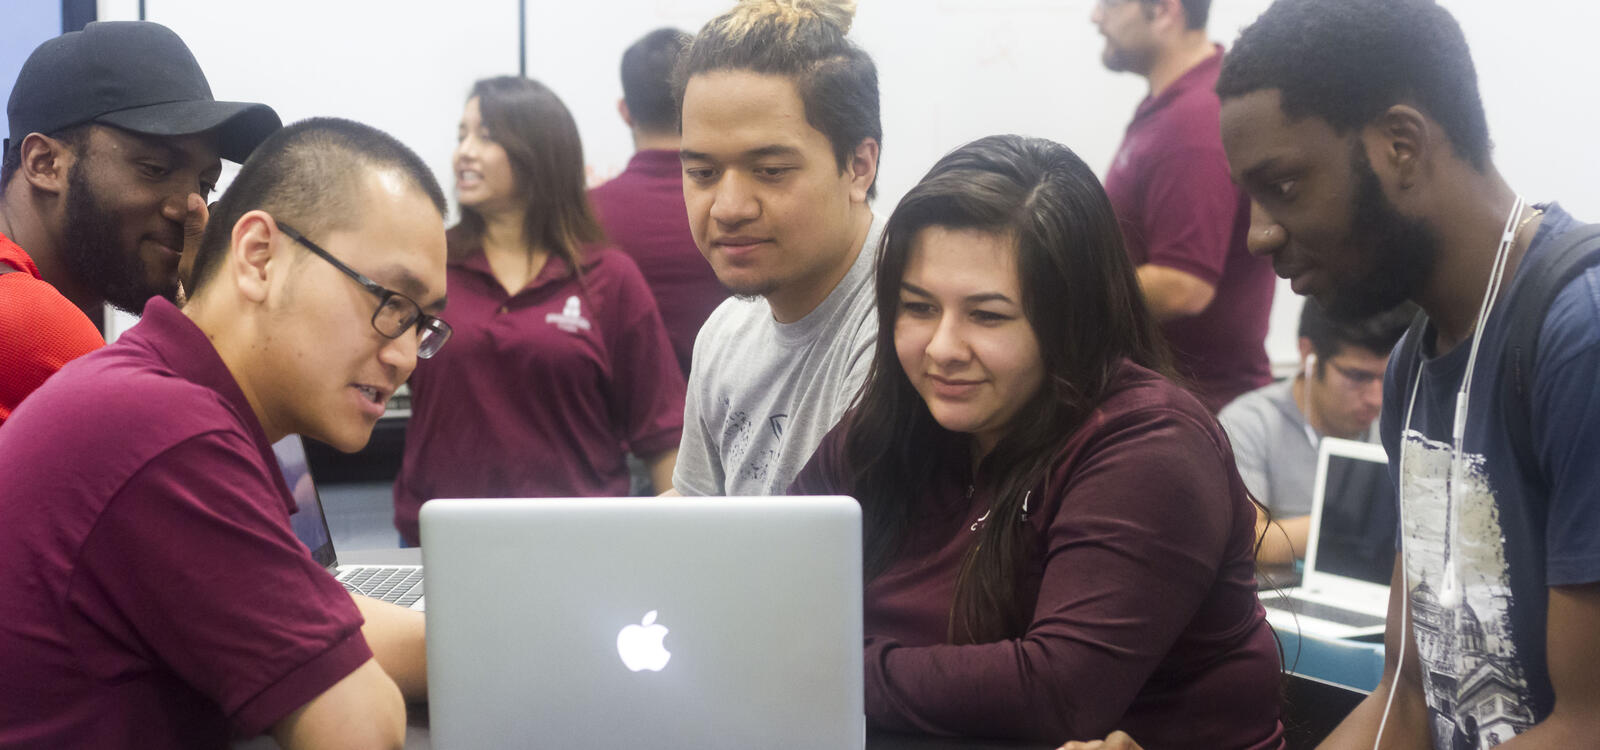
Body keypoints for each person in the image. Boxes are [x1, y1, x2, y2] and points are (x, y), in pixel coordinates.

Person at [790, 134, 1284, 747]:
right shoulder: (899, 422)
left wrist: (817, 667)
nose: (942, 348)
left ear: (1070, 316)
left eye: (988, 316)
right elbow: (773, 585)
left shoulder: (1150, 443)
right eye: (918, 308)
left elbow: (1054, 692)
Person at [1218, 0, 1600, 746]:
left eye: (1285, 186)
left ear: (1401, 144)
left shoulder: (1579, 335)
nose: (1260, 234)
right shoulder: (1410, 372)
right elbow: (1409, 695)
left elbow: (1589, 725)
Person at [0, 117, 440, 748]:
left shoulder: (162, 389)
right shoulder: (168, 433)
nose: (402, 356)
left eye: (421, 323)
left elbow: (317, 611)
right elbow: (362, 728)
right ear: (258, 257)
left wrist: (499, 642)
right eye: (389, 300)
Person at [392, 76, 684, 545]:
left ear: (539, 150)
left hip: (582, 542)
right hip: (443, 541)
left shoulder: (608, 276)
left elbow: (662, 433)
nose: (464, 152)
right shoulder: (429, 266)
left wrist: (678, 551)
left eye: (485, 137)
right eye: (461, 135)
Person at [0, 20, 279, 426]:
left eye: (206, 185)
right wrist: (209, 324)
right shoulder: (30, 320)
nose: (190, 208)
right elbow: (212, 466)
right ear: (44, 164)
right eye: (155, 168)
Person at [672, 0, 884, 496]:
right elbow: (699, 510)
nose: (728, 207)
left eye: (770, 171)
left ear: (859, 166)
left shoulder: (911, 321)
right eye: (702, 173)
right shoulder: (726, 333)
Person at [1091, 0, 1275, 411]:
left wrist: (1062, 291)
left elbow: (1183, 286)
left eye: (1108, 4)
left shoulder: (1194, 119)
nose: (1096, 17)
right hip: (1173, 402)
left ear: (1164, 11)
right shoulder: (1174, 104)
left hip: (1195, 411)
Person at [1220, 297, 1414, 563]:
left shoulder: (1403, 419)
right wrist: (1364, 526)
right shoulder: (1250, 423)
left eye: (1388, 375)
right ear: (1307, 354)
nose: (1376, 399)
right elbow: (1247, 541)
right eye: (1357, 376)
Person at [589, 27, 729, 377]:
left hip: (618, 423)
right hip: (741, 413)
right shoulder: (742, 207)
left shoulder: (581, 215)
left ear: (624, 111)